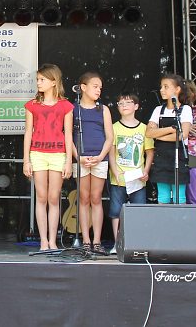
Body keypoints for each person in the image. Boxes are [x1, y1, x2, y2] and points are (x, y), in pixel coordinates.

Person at [23, 64, 74, 251]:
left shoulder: (66, 106)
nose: (38, 83)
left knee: (54, 197)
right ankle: (43, 240)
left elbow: (68, 135)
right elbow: (28, 133)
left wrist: (69, 161)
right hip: (37, 153)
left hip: (58, 154)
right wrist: (26, 160)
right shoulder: (32, 105)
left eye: (42, 79)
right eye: (37, 79)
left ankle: (53, 240)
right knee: (41, 197)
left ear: (54, 82)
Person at [108, 92, 154, 254]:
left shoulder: (144, 128)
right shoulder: (114, 127)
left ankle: (137, 244)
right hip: (119, 177)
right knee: (116, 212)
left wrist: (146, 171)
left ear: (136, 106)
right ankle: (117, 244)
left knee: (138, 210)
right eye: (120, 103)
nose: (124, 106)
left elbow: (149, 152)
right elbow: (111, 152)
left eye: (128, 103)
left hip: (138, 177)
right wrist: (115, 172)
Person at [73, 72, 113, 255]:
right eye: (95, 86)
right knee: (83, 198)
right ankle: (86, 241)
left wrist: (101, 156)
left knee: (96, 198)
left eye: (100, 88)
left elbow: (109, 137)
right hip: (80, 158)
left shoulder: (103, 109)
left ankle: (97, 241)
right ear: (83, 87)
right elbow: (68, 137)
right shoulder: (73, 109)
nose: (98, 90)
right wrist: (78, 157)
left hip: (99, 158)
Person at [146, 73, 193, 204]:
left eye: (166, 87)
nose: (162, 90)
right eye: (161, 87)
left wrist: (159, 136)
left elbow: (182, 135)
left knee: (180, 196)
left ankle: (179, 218)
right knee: (163, 196)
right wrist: (170, 129)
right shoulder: (158, 110)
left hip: (178, 158)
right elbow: (149, 133)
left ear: (177, 89)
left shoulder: (185, 109)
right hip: (161, 159)